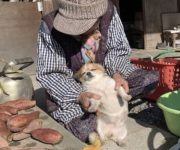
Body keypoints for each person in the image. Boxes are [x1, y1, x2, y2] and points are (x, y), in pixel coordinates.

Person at [36, 0, 159, 142]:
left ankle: (109, 103)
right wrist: (79, 95)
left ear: (99, 16)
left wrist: (116, 74)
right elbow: (51, 73)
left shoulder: (108, 12)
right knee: (86, 131)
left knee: (149, 80)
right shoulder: (49, 25)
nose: (78, 32)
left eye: (84, 26)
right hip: (73, 90)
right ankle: (95, 109)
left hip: (105, 79)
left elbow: (117, 49)